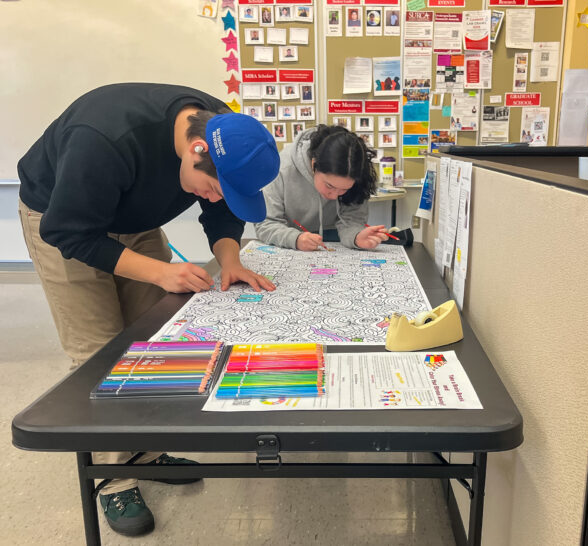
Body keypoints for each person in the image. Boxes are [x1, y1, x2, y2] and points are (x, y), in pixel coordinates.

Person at [16, 83, 280, 537]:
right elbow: (70, 231)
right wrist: (160, 273)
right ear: (196, 150)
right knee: (99, 353)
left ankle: (148, 451)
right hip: (63, 221)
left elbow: (221, 211)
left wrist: (230, 260)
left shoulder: (221, 131)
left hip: (133, 220)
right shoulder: (104, 138)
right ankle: (114, 479)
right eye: (214, 188)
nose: (214, 197)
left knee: (154, 338)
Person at [254, 125, 388, 251]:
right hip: (289, 243)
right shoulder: (281, 168)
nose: (335, 196)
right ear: (314, 164)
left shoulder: (358, 173)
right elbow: (266, 224)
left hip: (336, 242)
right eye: (329, 185)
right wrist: (295, 239)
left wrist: (356, 237)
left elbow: (351, 220)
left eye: (344, 189)